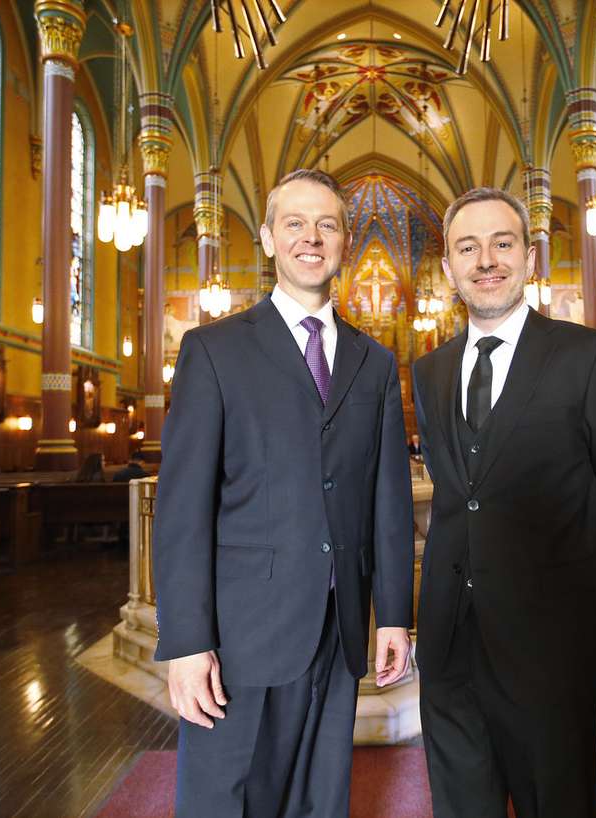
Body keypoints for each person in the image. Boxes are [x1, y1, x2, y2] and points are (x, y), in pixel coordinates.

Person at [152, 169, 416, 818]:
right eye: (294, 223)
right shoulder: (213, 350)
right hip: (240, 629)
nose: (311, 237)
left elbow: (388, 500)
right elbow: (183, 506)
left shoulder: (373, 362)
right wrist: (186, 639)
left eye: (327, 224)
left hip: (337, 625)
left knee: (320, 799)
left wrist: (395, 614)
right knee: (225, 799)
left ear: (344, 242)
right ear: (268, 238)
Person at [411, 187, 596, 818]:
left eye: (502, 243)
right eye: (468, 246)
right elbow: (458, 492)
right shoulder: (428, 371)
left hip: (553, 640)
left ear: (531, 256)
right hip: (449, 642)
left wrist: (572, 582)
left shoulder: (588, 356)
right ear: (449, 267)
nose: (485, 259)